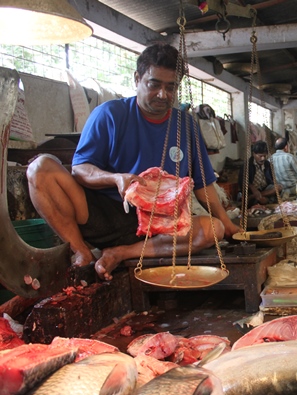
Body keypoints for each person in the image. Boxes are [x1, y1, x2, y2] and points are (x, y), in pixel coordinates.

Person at [26, 43, 240, 281]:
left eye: (171, 87)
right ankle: (82, 252)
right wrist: (115, 178)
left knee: (214, 230)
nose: (163, 94)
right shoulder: (109, 114)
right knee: (40, 168)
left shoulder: (186, 125)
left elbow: (203, 185)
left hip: (160, 224)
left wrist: (228, 224)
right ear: (137, 78)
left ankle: (121, 253)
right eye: (154, 84)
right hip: (105, 213)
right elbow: (80, 169)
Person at [238, 141, 282, 206]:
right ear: (254, 154)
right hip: (251, 191)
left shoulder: (267, 164)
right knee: (260, 200)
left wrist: (260, 193)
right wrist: (253, 188)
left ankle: (256, 197)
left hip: (265, 190)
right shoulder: (247, 165)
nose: (263, 158)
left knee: (279, 187)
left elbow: (272, 181)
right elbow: (243, 182)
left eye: (265, 156)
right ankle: (260, 199)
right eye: (260, 156)